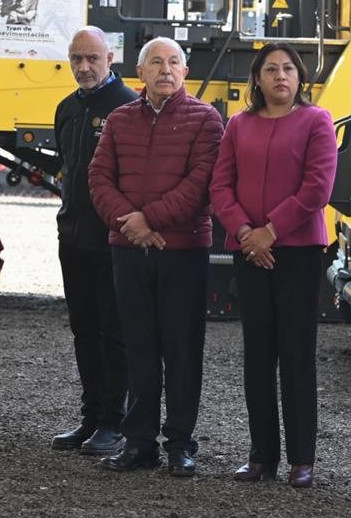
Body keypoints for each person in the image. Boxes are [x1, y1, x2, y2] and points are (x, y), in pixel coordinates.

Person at [87, 37, 223, 477]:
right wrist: (129, 224)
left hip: (182, 252)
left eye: (174, 63)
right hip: (129, 252)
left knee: (182, 350)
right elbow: (99, 177)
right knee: (139, 347)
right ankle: (139, 441)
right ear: (139, 73)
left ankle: (181, 443)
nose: (166, 70)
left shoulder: (206, 119)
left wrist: (150, 221)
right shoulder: (119, 119)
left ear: (185, 72)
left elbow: (201, 182)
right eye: (156, 63)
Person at [210, 43, 336, 487]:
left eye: (288, 69)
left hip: (298, 252)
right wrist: (247, 233)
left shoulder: (315, 121)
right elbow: (220, 186)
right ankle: (261, 455)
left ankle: (303, 460)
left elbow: (317, 188)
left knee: (297, 355)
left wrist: (271, 231)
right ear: (257, 80)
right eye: (270, 69)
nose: (280, 76)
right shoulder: (238, 126)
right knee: (257, 355)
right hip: (250, 253)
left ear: (300, 78)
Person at [50, 26, 138, 455]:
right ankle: (89, 418)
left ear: (110, 59)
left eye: (92, 59)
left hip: (114, 240)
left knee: (114, 330)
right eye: (76, 59)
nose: (84, 67)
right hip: (74, 238)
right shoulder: (66, 108)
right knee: (83, 330)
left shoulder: (128, 107)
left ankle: (112, 422)